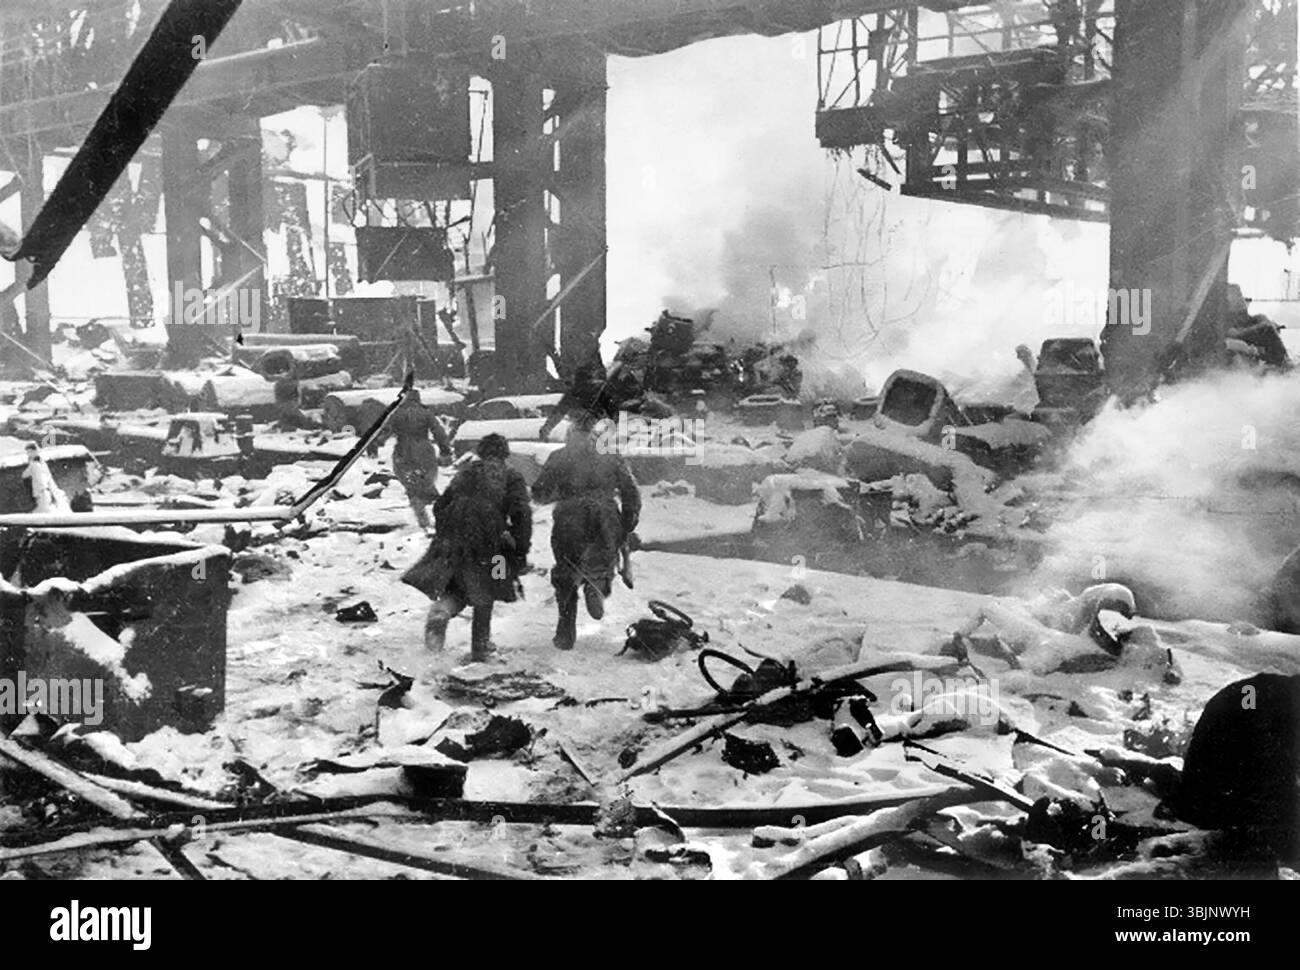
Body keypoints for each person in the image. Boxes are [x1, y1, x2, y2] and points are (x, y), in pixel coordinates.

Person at [401, 434, 532, 662]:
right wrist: (519, 549)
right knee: (489, 589)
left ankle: (441, 612)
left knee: (457, 584)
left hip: (453, 543)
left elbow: (441, 506)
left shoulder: (466, 473)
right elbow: (522, 515)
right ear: (504, 454)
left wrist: (448, 534)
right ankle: (481, 648)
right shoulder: (511, 476)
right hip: (493, 548)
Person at [532, 416, 641, 651]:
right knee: (603, 560)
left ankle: (565, 632)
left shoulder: (559, 457)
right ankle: (598, 586)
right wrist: (628, 522)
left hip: (569, 518)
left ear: (570, 435)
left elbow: (539, 492)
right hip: (606, 516)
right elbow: (631, 491)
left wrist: (557, 492)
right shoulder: (612, 456)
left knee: (566, 568)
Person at [376, 389, 452, 529]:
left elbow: (385, 431)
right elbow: (438, 431)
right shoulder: (426, 412)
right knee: (426, 480)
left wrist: (377, 442)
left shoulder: (396, 413)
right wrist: (444, 449)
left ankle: (422, 517)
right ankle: (442, 511)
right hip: (424, 450)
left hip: (403, 451)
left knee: (410, 483)